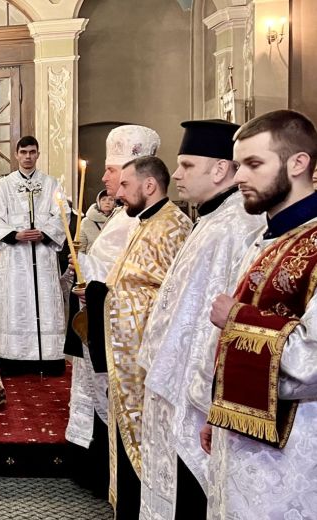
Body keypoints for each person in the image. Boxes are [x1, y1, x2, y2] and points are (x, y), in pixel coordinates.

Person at [136, 120, 262, 520]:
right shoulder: (211, 220)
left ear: (220, 169)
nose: (176, 175)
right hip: (177, 381)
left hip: (196, 392)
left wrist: (204, 395)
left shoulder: (236, 227)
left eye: (187, 165)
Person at [201, 110, 317, 520]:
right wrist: (218, 411)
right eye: (238, 166)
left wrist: (238, 318)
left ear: (298, 163)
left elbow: (312, 360)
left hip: (296, 447)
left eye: (253, 164)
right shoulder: (261, 238)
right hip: (240, 434)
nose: (239, 178)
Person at [67, 125, 161, 498]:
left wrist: (89, 280)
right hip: (98, 319)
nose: (105, 179)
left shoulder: (145, 220)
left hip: (122, 332)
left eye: (112, 170)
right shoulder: (124, 214)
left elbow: (132, 280)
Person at [95, 156, 192, 518]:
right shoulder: (145, 221)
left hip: (147, 359)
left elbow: (173, 298)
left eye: (125, 185)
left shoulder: (173, 227)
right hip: (129, 354)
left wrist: (109, 296)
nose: (118, 193)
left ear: (149, 185)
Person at [0, 135, 68, 376]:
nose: (28, 156)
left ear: (38, 154)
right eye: (23, 152)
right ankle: (12, 357)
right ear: (16, 155)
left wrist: (45, 233)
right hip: (15, 258)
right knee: (16, 303)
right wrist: (14, 235)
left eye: (32, 152)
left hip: (43, 256)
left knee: (45, 301)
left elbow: (63, 214)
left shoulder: (51, 184)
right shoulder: (4, 185)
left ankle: (47, 358)